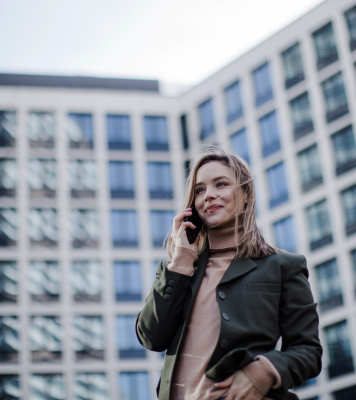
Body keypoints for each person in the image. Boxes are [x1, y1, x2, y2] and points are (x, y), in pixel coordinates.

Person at [136, 146, 322, 400]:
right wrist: (181, 262)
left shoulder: (283, 266)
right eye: (200, 190)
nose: (209, 195)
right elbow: (151, 337)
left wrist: (263, 372)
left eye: (221, 184)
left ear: (245, 195)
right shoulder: (176, 269)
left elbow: (307, 351)